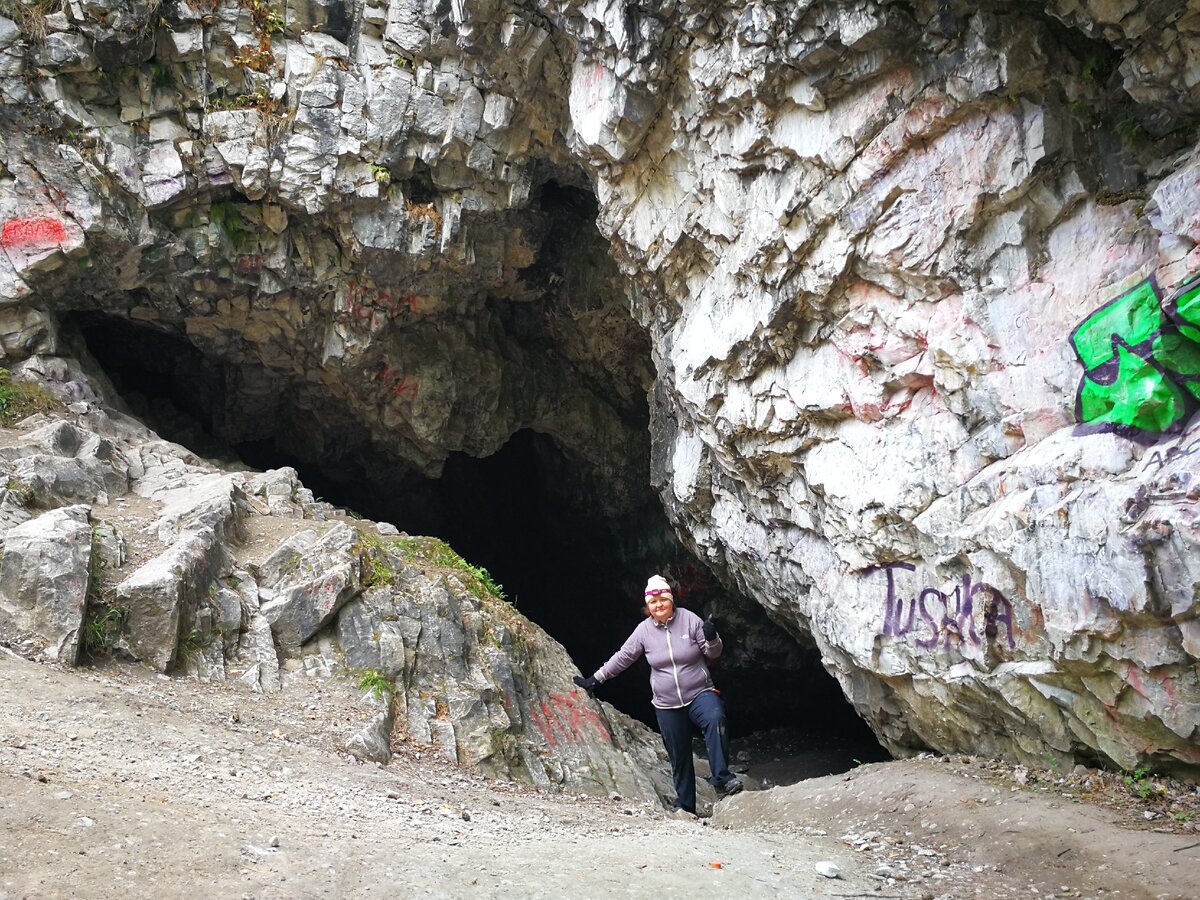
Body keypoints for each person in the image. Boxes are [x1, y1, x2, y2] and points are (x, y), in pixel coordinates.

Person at [573, 574, 743, 816]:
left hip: (699, 692)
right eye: (653, 603)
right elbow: (624, 657)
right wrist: (596, 678)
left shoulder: (689, 620)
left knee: (715, 717)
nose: (658, 605)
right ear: (647, 607)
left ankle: (722, 779)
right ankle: (685, 806)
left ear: (671, 600)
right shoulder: (644, 631)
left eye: (662, 599)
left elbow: (713, 653)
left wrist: (712, 637)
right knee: (679, 753)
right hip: (666, 703)